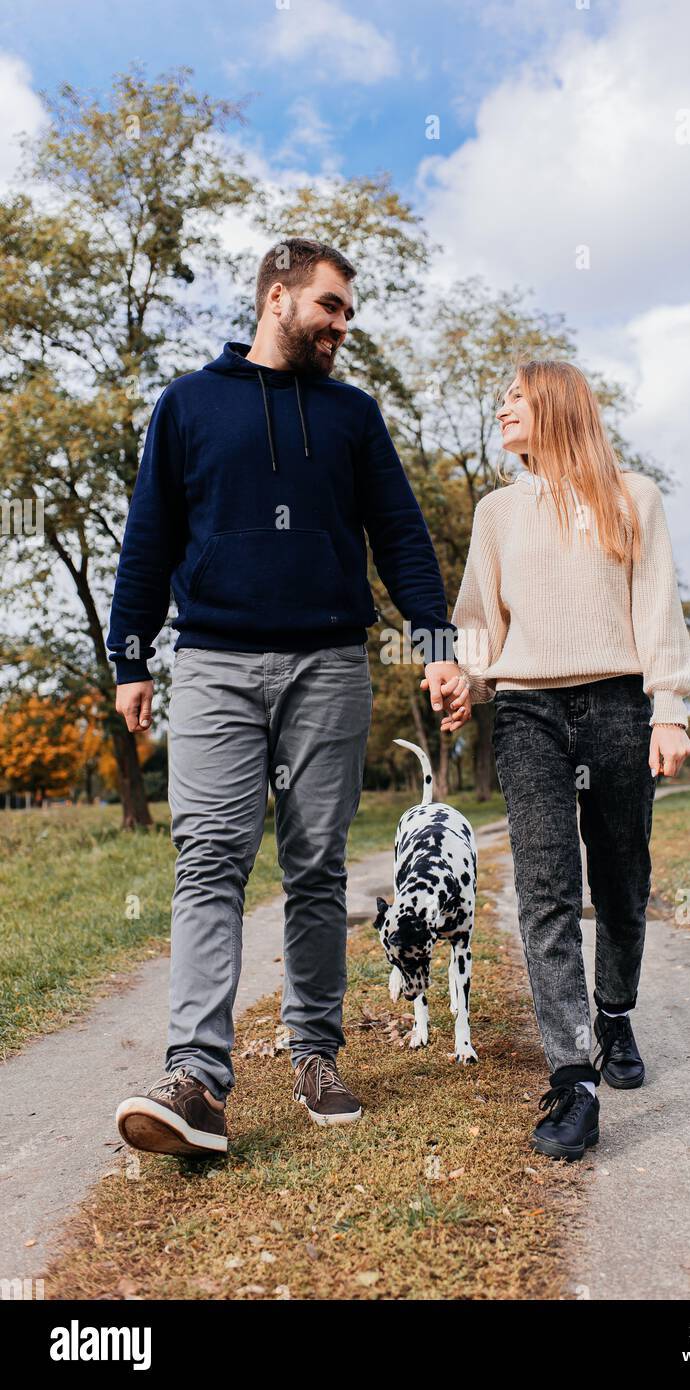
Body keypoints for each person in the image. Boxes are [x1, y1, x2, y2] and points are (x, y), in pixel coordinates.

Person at [109, 237, 463, 1156]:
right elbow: (148, 539)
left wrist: (435, 647)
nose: (344, 326)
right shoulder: (187, 405)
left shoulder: (352, 416)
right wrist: (130, 660)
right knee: (209, 861)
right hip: (216, 664)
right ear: (279, 299)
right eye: (331, 307)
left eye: (348, 312)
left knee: (314, 867)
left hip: (328, 665)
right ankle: (195, 1078)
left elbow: (400, 535)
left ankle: (314, 1052)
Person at [445, 359, 690, 1161]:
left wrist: (669, 709)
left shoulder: (634, 497)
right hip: (526, 711)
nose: (502, 410)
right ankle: (572, 1077)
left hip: (619, 706)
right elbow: (479, 619)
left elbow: (656, 605)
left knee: (621, 881)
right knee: (546, 889)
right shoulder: (495, 512)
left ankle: (613, 1012)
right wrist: (463, 680)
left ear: (554, 404)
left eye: (514, 398)